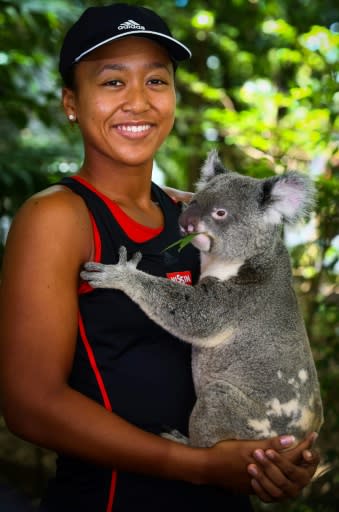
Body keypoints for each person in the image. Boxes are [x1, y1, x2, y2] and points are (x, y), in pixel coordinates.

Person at [0, 3, 320, 512]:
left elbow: (267, 335)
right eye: (111, 82)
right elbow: (29, 407)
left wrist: (279, 452)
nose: (137, 101)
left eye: (155, 81)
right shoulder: (58, 217)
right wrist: (196, 466)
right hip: (114, 498)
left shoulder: (195, 215)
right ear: (71, 102)